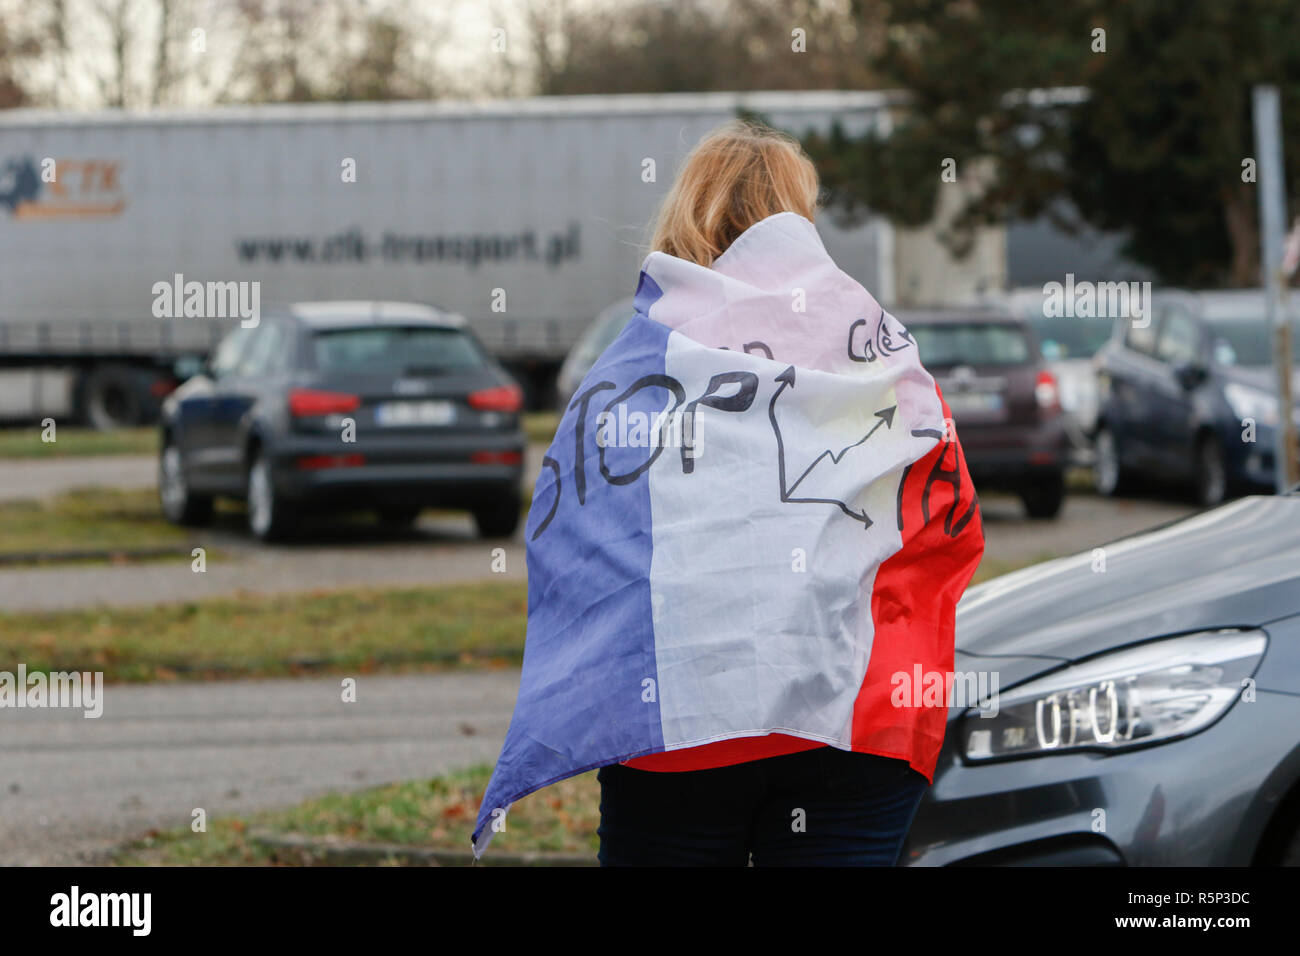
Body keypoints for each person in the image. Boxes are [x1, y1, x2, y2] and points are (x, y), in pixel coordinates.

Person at [591, 120, 986, 866]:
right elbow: (950, 524)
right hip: (857, 717)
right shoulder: (881, 353)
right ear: (800, 217)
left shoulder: (639, 364)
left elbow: (582, 542)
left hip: (681, 724)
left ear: (688, 214)